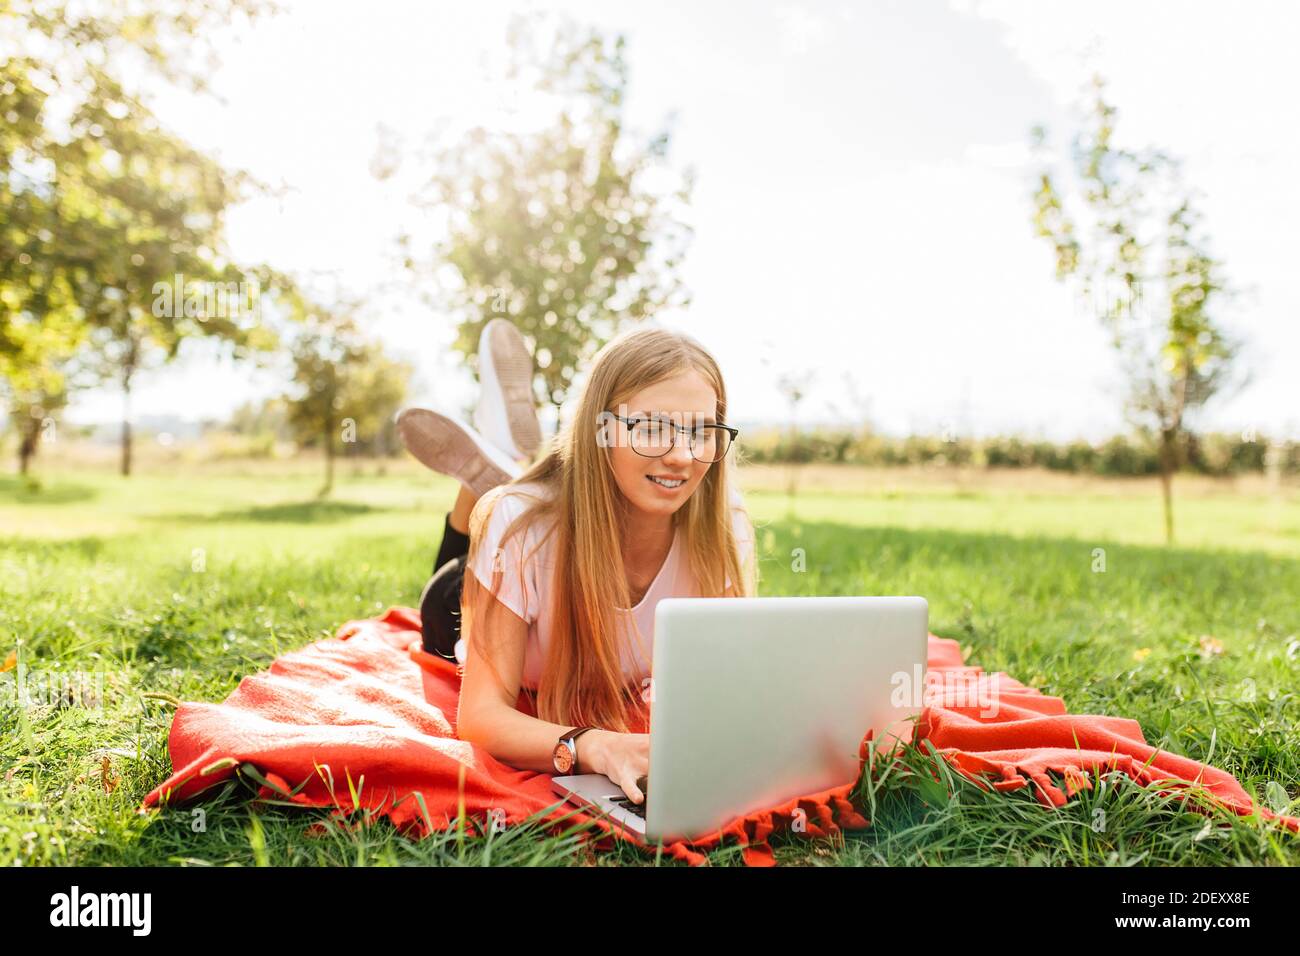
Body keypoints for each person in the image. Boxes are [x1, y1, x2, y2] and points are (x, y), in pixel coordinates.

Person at [396, 321, 755, 807]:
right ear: (600, 430)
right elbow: (480, 716)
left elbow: (731, 687)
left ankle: (508, 462)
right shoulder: (521, 529)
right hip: (467, 600)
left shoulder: (724, 530)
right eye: (651, 429)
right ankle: (487, 490)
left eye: (702, 432)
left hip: (534, 536)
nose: (682, 457)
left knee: (514, 514)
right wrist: (595, 746)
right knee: (464, 571)